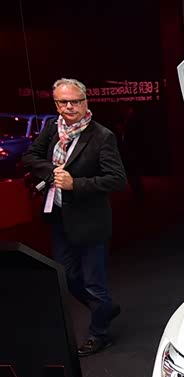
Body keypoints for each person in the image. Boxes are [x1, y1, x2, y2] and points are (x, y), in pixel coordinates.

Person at [22, 78, 127, 356]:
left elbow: (117, 180)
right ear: (56, 104)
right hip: (59, 217)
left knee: (93, 282)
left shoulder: (102, 136)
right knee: (68, 276)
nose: (69, 107)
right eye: (63, 102)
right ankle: (105, 308)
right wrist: (51, 171)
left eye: (75, 101)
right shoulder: (52, 128)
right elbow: (30, 156)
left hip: (91, 220)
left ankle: (99, 333)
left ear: (85, 101)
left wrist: (75, 184)